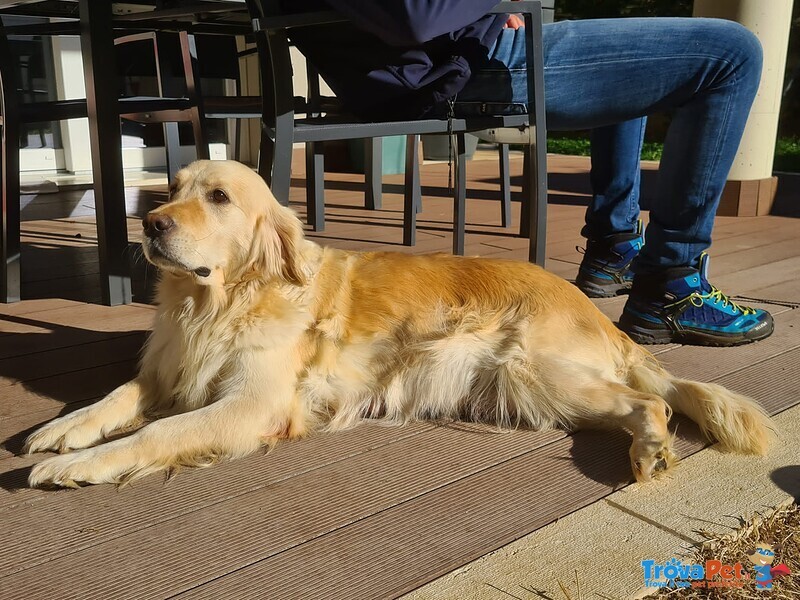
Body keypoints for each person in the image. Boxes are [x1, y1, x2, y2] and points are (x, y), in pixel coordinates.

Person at [285, 0, 774, 347]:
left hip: (460, 52)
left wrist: (486, 11)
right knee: (732, 51)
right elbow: (416, 14)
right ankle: (672, 281)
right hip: (459, 68)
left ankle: (615, 246)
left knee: (643, 62)